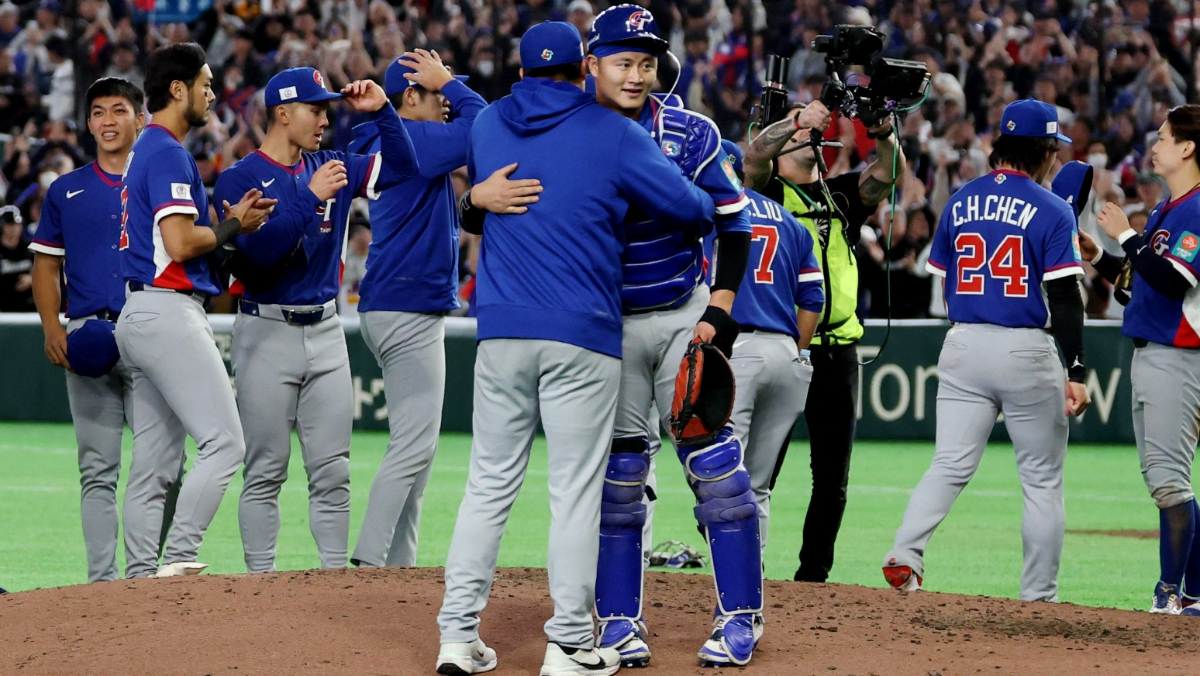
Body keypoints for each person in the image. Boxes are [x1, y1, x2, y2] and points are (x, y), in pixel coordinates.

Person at [435, 21, 716, 676]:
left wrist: (475, 200)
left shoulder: (490, 125)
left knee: (487, 485)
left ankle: (456, 636)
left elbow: (477, 195)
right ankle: (566, 644)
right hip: (582, 333)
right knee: (575, 492)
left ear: (522, 72)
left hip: (501, 328)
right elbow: (695, 209)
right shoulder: (613, 131)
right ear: (585, 68)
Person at [582, 5, 759, 668]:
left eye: (647, 63)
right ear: (593, 65)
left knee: (717, 469)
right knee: (620, 477)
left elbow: (735, 224)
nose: (636, 74)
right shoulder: (570, 128)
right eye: (624, 61)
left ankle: (741, 616)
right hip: (606, 325)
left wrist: (719, 310)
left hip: (682, 313)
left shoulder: (691, 131)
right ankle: (617, 622)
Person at [882, 99, 1091, 601]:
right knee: (1041, 481)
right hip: (1025, 348)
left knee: (949, 464)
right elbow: (1065, 297)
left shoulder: (960, 199)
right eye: (1053, 148)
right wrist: (1077, 368)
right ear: (1045, 150)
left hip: (964, 341)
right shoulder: (1052, 208)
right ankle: (1038, 597)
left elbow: (942, 279)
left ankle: (905, 553)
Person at [213, 66, 418, 573]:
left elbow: (405, 167)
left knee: (333, 471)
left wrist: (384, 111)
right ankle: (261, 584)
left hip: (326, 329)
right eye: (315, 109)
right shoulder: (240, 178)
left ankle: (334, 583)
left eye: (327, 109)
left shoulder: (332, 164)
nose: (325, 119)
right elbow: (261, 256)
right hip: (266, 327)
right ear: (283, 113)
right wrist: (310, 197)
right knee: (266, 470)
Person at [115, 42, 276, 579]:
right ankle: (179, 556)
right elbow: (181, 244)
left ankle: (140, 579)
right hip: (167, 312)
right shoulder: (166, 151)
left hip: (140, 310)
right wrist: (234, 226)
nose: (211, 94)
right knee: (225, 443)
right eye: (205, 84)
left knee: (155, 464)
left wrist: (226, 230)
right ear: (177, 89)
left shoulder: (146, 148)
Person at [742, 98, 905, 584]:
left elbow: (889, 172)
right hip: (781, 346)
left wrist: (883, 131)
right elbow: (754, 158)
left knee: (832, 479)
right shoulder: (766, 192)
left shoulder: (841, 195)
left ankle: (813, 579)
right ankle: (746, 569)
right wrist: (794, 121)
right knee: (759, 472)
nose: (806, 135)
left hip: (838, 350)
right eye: (795, 130)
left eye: (810, 127)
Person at [29, 77, 185, 583]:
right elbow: (46, 266)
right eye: (98, 112)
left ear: (141, 119)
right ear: (89, 123)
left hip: (150, 330)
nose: (108, 121)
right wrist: (52, 327)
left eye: (119, 110)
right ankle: (102, 585)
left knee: (168, 467)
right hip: (88, 336)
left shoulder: (159, 180)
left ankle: (144, 573)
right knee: (97, 471)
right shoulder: (66, 190)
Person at [346, 47, 487, 569]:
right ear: (409, 96)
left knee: (417, 453)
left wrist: (443, 82)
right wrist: (454, 85)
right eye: (434, 90)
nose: (445, 98)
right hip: (407, 305)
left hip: (398, 302)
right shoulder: (412, 137)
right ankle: (369, 562)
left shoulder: (404, 137)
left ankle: (398, 570)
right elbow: (484, 127)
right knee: (413, 446)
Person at [1089, 104, 1200, 615]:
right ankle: (1193, 595)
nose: (1154, 146)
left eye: (1163, 137)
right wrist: (1101, 257)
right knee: (1168, 480)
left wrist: (1126, 235)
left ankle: (1168, 594)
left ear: (1188, 147)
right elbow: (1141, 282)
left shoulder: (1195, 208)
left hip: (1178, 355)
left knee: (1169, 482)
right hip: (1155, 351)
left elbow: (1175, 281)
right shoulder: (1167, 208)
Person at [717, 140, 824, 556]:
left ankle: (731, 578)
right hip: (785, 352)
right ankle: (753, 576)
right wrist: (797, 352)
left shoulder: (711, 212)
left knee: (722, 475)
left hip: (737, 350)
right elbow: (813, 299)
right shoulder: (789, 221)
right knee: (758, 484)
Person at [0, 205, 33, 311]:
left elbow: (47, 272)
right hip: (4, 307)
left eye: (17, 224)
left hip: (30, 305)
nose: (14, 229)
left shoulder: (30, 249)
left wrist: (32, 279)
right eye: (10, 225)